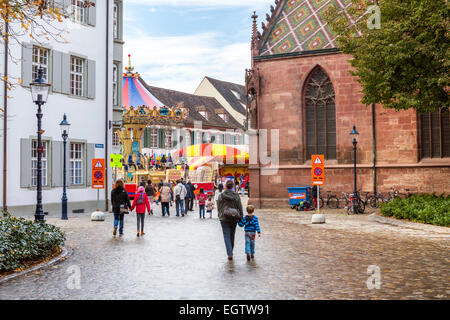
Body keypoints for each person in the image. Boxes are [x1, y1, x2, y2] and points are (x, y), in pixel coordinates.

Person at [218, 180, 244, 260]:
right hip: (234, 217)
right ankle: (230, 251)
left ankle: (229, 253)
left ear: (226, 186)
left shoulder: (221, 195)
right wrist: (241, 217)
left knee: (226, 236)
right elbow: (240, 207)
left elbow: (219, 206)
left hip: (224, 217)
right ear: (232, 186)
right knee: (232, 235)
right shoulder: (236, 195)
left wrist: (220, 214)